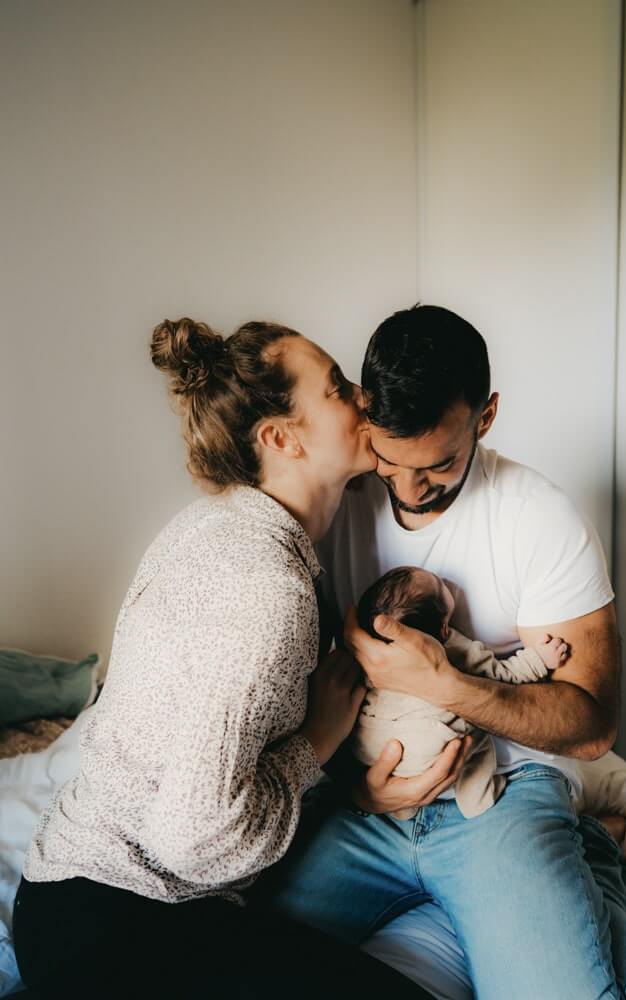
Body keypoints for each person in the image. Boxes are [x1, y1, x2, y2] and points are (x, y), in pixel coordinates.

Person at [12, 318, 431, 1000]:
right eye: (335, 389)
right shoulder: (267, 587)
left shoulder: (219, 523)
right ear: (279, 438)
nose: (363, 397)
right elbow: (194, 841)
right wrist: (317, 742)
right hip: (121, 915)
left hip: (67, 897)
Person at [265, 305, 626, 1000]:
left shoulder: (538, 517)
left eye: (438, 464)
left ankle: (586, 848)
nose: (408, 491)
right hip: (370, 805)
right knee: (238, 952)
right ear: (362, 414)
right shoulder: (332, 505)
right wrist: (355, 792)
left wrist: (449, 687)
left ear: (486, 415)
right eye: (388, 460)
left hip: (501, 793)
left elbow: (592, 728)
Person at [353, 564, 568, 820]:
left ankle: (402, 807)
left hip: (372, 747)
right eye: (439, 584)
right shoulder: (456, 648)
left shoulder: (371, 652)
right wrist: (539, 659)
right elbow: (504, 677)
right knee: (478, 725)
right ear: (444, 629)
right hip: (433, 744)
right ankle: (478, 798)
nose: (441, 578)